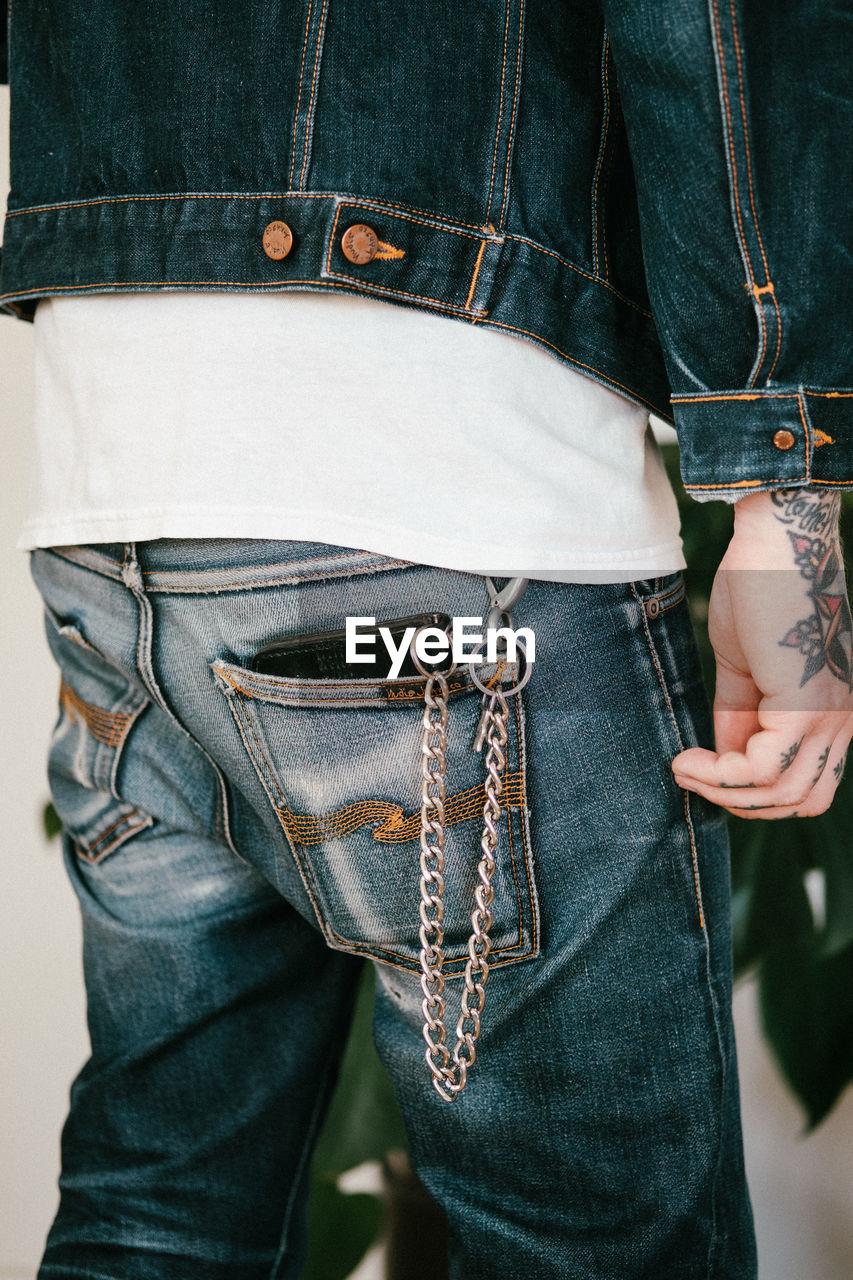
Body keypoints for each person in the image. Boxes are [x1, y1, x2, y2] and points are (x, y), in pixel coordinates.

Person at [2, 2, 851, 1277]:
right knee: (593, 1245)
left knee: (157, 1209)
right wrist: (786, 500)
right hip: (445, 464)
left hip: (105, 494)